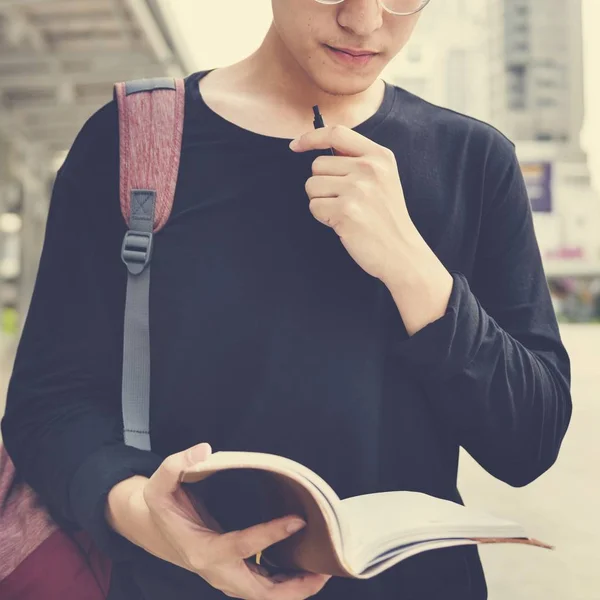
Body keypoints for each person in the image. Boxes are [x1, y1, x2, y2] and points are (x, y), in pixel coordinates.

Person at [1, 0, 572, 598]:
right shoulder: (134, 140)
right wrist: (149, 520)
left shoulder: (475, 161)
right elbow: (49, 403)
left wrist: (413, 268)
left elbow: (527, 444)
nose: (365, 21)